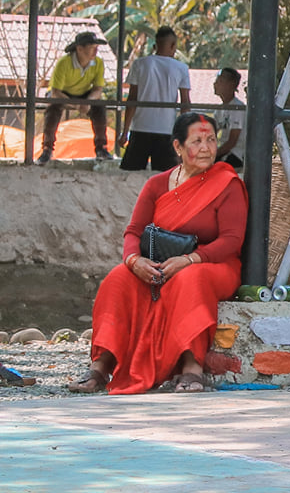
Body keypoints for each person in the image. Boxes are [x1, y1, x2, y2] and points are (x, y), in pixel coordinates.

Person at [69, 111, 245, 394]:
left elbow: (232, 240)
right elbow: (133, 232)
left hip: (213, 265)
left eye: (211, 140)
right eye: (197, 141)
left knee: (189, 279)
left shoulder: (227, 183)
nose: (206, 148)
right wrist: (134, 261)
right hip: (161, 265)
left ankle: (191, 368)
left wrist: (190, 260)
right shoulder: (157, 184)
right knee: (117, 279)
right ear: (178, 147)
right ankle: (101, 365)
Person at [122, 26, 191, 171]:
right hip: (166, 130)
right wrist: (184, 136)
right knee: (166, 177)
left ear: (155, 45)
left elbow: (131, 100)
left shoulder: (140, 64)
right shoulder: (181, 68)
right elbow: (185, 104)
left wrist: (125, 131)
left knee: (130, 173)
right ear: (173, 45)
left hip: (140, 128)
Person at [40, 30, 112, 163]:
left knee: (100, 107)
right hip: (62, 93)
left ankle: (101, 148)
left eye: (96, 48)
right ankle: (47, 148)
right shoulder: (64, 63)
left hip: (84, 94)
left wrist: (88, 101)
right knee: (53, 108)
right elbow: (56, 92)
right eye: (92, 48)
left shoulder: (98, 63)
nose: (95, 51)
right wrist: (77, 105)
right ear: (79, 49)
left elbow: (98, 89)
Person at [215, 68, 247, 170]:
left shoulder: (237, 108)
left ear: (231, 85)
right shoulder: (219, 110)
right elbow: (212, 132)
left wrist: (213, 155)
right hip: (224, 152)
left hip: (236, 154)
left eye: (220, 81)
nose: (215, 84)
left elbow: (232, 142)